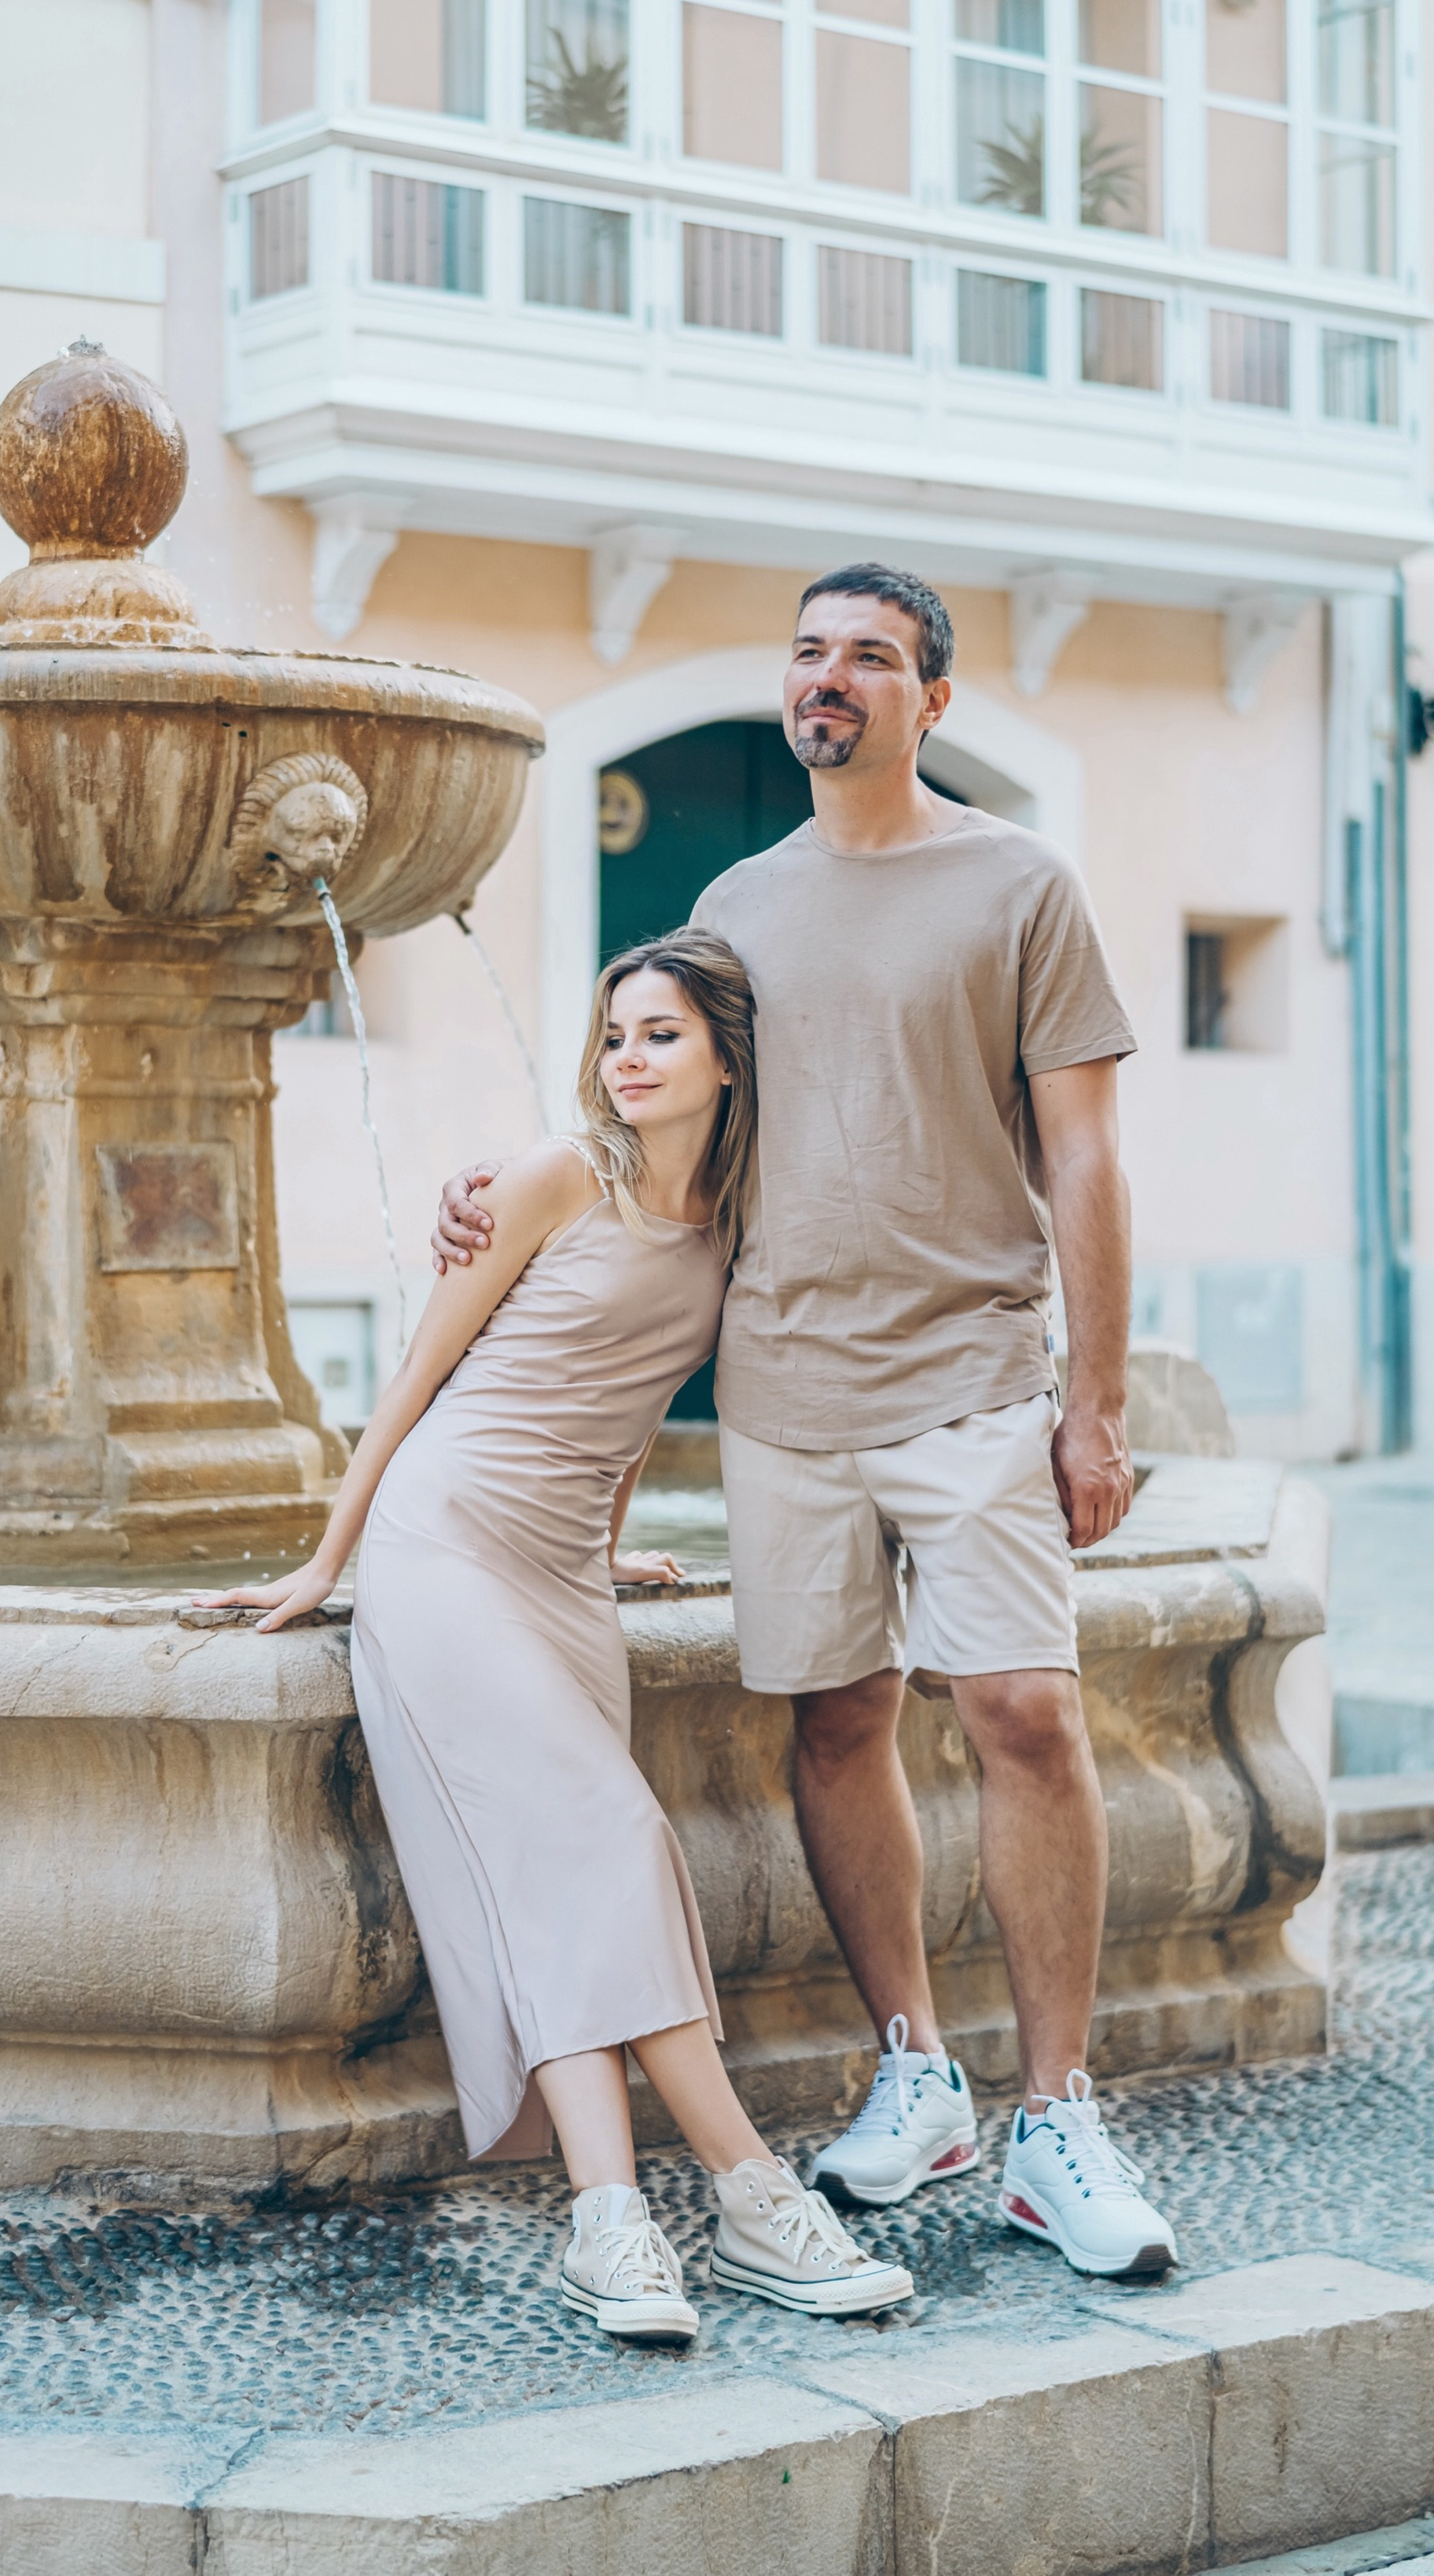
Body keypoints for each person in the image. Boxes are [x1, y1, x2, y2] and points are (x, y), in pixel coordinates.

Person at [435, 565, 1178, 2283]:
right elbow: (651, 1116)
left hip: (973, 1370)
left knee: (1019, 1712)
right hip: (780, 1385)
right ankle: (912, 2074)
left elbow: (1082, 1157)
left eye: (866, 656)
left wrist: (1096, 1398)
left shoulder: (1016, 881)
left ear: (931, 698)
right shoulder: (732, 901)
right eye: (807, 653)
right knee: (834, 1725)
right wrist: (502, 1188)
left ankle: (1054, 2115)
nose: (827, 678)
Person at [197, 933, 912, 2341]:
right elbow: (421, 1370)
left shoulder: (735, 1221)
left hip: (562, 1575)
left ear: (726, 1058)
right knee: (613, 1840)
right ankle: (752, 2193)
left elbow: (635, 1401)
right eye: (614, 1036)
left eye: (659, 1037)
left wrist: (599, 1539)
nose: (626, 1061)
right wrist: (329, 1560)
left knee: (558, 1886)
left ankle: (609, 2226)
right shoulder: (551, 1176)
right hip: (446, 1543)